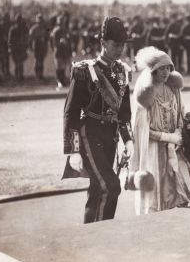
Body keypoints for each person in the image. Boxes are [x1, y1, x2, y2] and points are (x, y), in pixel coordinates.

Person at [62, 16, 134, 223]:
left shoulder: (122, 72)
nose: (119, 50)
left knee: (97, 190)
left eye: (122, 45)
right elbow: (71, 112)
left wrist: (128, 140)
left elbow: (124, 113)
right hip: (89, 135)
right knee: (110, 186)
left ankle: (89, 235)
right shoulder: (85, 71)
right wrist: (73, 150)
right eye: (115, 45)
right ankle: (102, 237)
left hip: (109, 137)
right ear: (103, 43)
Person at [129, 46, 190, 214]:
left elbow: (180, 113)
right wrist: (168, 137)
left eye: (168, 68)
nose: (165, 72)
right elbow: (143, 130)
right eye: (161, 69)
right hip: (154, 151)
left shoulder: (173, 89)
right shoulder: (147, 94)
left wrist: (179, 133)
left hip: (174, 148)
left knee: (179, 191)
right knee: (156, 196)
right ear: (153, 71)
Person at [50, 15, 72, 89]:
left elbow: (68, 40)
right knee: (59, 66)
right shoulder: (56, 30)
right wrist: (60, 42)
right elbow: (53, 43)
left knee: (63, 66)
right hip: (58, 51)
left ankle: (62, 81)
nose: (62, 23)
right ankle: (59, 81)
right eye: (61, 22)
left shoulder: (65, 30)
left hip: (64, 51)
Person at [8, 14, 29, 81]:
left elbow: (26, 37)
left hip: (21, 48)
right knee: (17, 63)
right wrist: (10, 47)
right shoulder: (13, 29)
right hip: (15, 48)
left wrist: (26, 46)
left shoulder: (24, 28)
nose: (19, 21)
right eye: (18, 20)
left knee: (20, 62)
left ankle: (20, 75)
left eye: (20, 20)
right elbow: (10, 39)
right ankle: (18, 76)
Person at [29, 14, 49, 79]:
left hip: (43, 46)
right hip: (36, 46)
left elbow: (48, 35)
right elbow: (30, 38)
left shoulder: (45, 28)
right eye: (39, 21)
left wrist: (45, 38)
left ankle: (41, 74)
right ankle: (37, 74)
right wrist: (30, 47)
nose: (40, 22)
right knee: (37, 60)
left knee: (42, 60)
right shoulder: (33, 28)